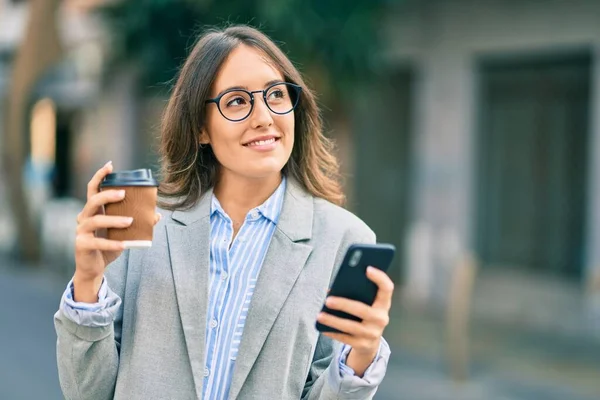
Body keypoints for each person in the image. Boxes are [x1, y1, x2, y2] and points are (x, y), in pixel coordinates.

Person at [54, 25, 393, 400]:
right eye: (236, 101)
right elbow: (87, 393)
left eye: (276, 95)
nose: (264, 116)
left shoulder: (343, 240)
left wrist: (361, 357)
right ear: (201, 128)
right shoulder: (146, 224)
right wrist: (87, 283)